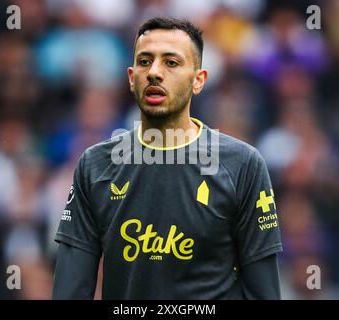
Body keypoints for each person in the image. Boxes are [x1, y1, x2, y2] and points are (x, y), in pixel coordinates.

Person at [52, 17, 283, 300]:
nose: (154, 73)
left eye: (171, 63)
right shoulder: (95, 166)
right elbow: (69, 292)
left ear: (199, 80)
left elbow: (264, 294)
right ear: (130, 77)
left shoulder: (243, 165)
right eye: (145, 61)